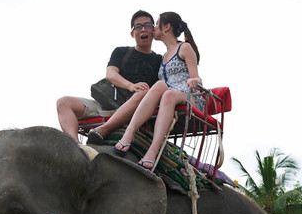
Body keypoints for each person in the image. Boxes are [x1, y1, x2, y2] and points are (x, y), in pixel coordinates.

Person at [114, 12, 204, 170]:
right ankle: (130, 132)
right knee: (160, 85)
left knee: (167, 93)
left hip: (190, 96)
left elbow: (196, 77)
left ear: (166, 27)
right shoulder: (163, 57)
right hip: (169, 95)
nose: (153, 28)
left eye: (156, 24)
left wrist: (193, 80)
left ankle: (153, 150)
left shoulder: (184, 47)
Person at [56, 10, 162, 143]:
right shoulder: (121, 52)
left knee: (144, 92)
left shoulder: (160, 60)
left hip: (137, 107)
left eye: (147, 25)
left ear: (153, 30)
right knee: (63, 102)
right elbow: (111, 74)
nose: (143, 29)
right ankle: (76, 147)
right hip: (108, 104)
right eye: (138, 27)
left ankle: (104, 129)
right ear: (132, 33)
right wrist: (130, 85)